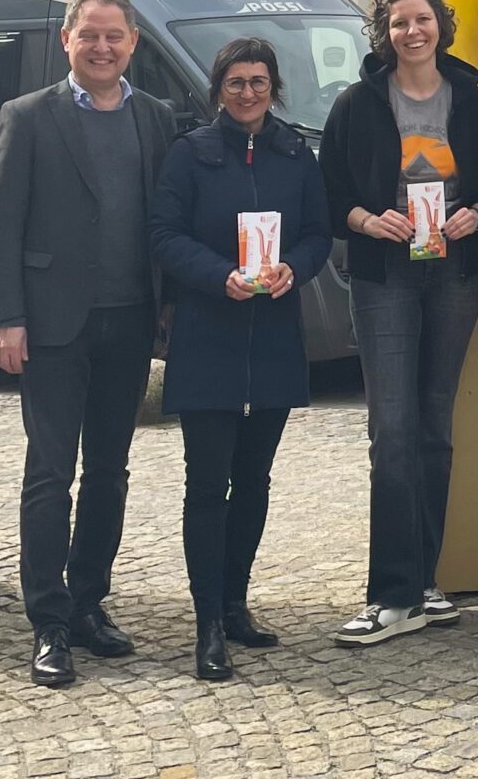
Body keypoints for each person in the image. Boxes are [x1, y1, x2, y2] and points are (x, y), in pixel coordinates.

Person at [0, 0, 175, 687]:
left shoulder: (155, 117)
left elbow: (164, 219)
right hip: (52, 325)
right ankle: (49, 623)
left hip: (130, 320)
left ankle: (90, 604)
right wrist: (5, 317)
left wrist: (170, 306)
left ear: (132, 44)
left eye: (113, 36)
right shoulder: (28, 115)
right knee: (49, 474)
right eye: (89, 34)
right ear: (67, 40)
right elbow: (1, 221)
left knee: (110, 473)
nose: (101, 47)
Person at [319, 0, 478, 645]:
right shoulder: (357, 103)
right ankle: (391, 594)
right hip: (385, 273)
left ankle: (423, 583)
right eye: (398, 23)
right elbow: (329, 191)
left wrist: (477, 213)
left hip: (455, 273)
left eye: (421, 20)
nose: (411, 32)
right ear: (384, 33)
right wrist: (368, 220)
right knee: (391, 430)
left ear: (439, 26)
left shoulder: (471, 100)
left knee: (433, 429)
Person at [149, 37, 332, 680]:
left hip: (273, 336)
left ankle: (235, 605)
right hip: (209, 334)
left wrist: (294, 268)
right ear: (218, 89)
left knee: (254, 480)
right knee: (207, 485)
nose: (248, 92)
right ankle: (206, 624)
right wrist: (217, 275)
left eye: (258, 82)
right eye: (236, 82)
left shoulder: (296, 154)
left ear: (273, 88)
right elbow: (164, 235)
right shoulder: (189, 153)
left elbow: (318, 234)